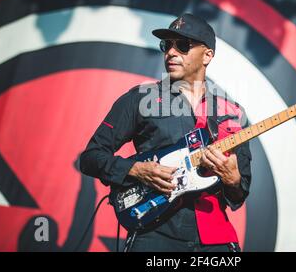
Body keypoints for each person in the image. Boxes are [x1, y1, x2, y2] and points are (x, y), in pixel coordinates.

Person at [80, 13, 252, 252]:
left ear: (208, 55)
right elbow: (90, 158)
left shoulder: (230, 113)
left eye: (182, 45)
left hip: (215, 240)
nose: (171, 52)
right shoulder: (140, 99)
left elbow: (239, 194)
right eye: (166, 45)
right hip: (154, 234)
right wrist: (135, 170)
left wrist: (233, 179)